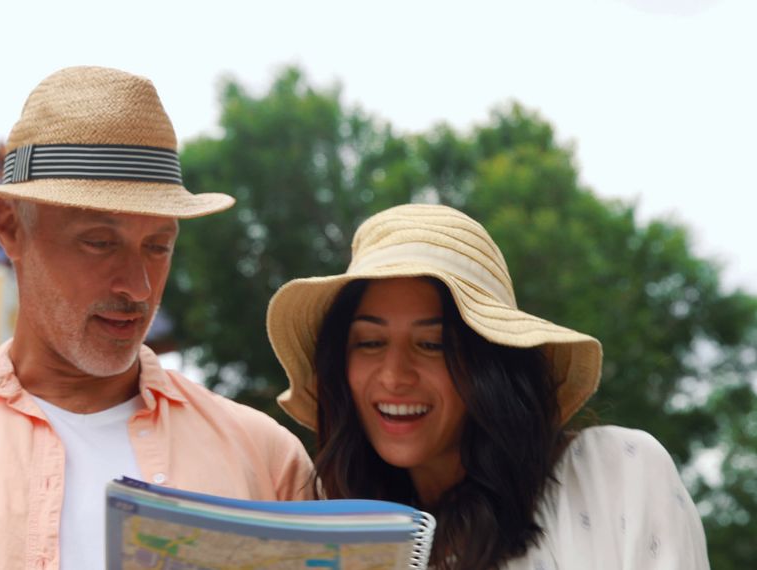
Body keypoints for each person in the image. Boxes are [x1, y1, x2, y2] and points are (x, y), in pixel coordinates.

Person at [0, 66, 313, 570]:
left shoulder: (268, 460)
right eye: (99, 242)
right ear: (11, 229)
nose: (137, 286)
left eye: (158, 247)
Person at [266, 204, 710, 569]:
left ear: (491, 365)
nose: (394, 376)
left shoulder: (614, 470)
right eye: (370, 342)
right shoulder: (336, 534)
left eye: (432, 344)